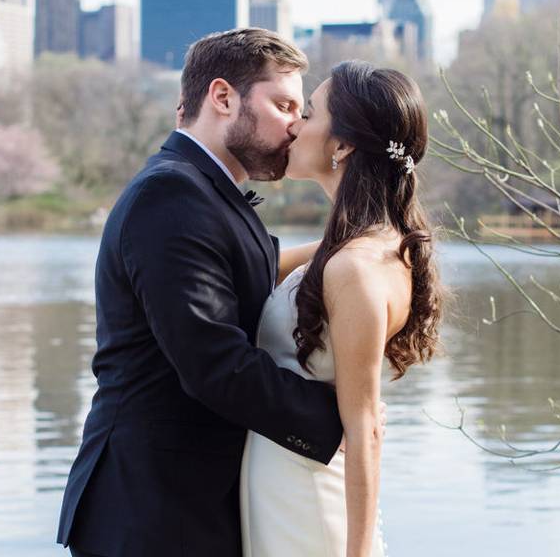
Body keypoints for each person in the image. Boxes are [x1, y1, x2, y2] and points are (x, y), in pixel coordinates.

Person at [56, 28, 347, 557]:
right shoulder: (171, 195)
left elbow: (253, 271)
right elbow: (215, 365)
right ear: (222, 96)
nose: (296, 126)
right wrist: (345, 419)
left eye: (301, 110)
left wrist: (357, 243)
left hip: (190, 506)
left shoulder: (206, 193)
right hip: (152, 513)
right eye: (284, 105)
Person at [240, 60, 442, 557]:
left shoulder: (357, 267)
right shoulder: (356, 247)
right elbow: (257, 267)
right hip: (283, 486)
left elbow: (365, 426)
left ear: (343, 145)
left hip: (304, 499)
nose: (293, 125)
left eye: (308, 113)